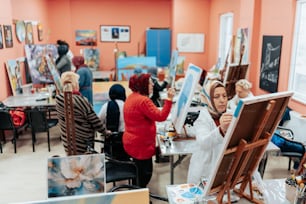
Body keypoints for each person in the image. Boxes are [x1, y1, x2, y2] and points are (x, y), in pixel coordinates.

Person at [123, 73, 175, 188]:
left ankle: (137, 191)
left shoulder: (132, 97)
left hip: (132, 143)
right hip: (141, 146)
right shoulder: (143, 101)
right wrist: (169, 99)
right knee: (145, 174)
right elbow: (161, 116)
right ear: (143, 85)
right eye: (150, 82)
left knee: (138, 172)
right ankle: (140, 194)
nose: (152, 84)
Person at [187, 80, 233, 184]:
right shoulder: (203, 118)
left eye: (224, 96)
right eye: (216, 97)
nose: (222, 100)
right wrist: (221, 129)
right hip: (205, 169)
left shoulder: (231, 115)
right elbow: (204, 143)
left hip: (224, 170)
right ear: (208, 99)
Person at [55, 71, 104, 155]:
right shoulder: (80, 100)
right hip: (84, 142)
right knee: (85, 163)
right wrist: (105, 131)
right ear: (75, 84)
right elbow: (94, 120)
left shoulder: (59, 99)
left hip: (68, 142)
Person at [98, 84, 129, 160]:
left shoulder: (106, 106)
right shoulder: (127, 105)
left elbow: (99, 121)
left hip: (111, 141)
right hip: (126, 140)